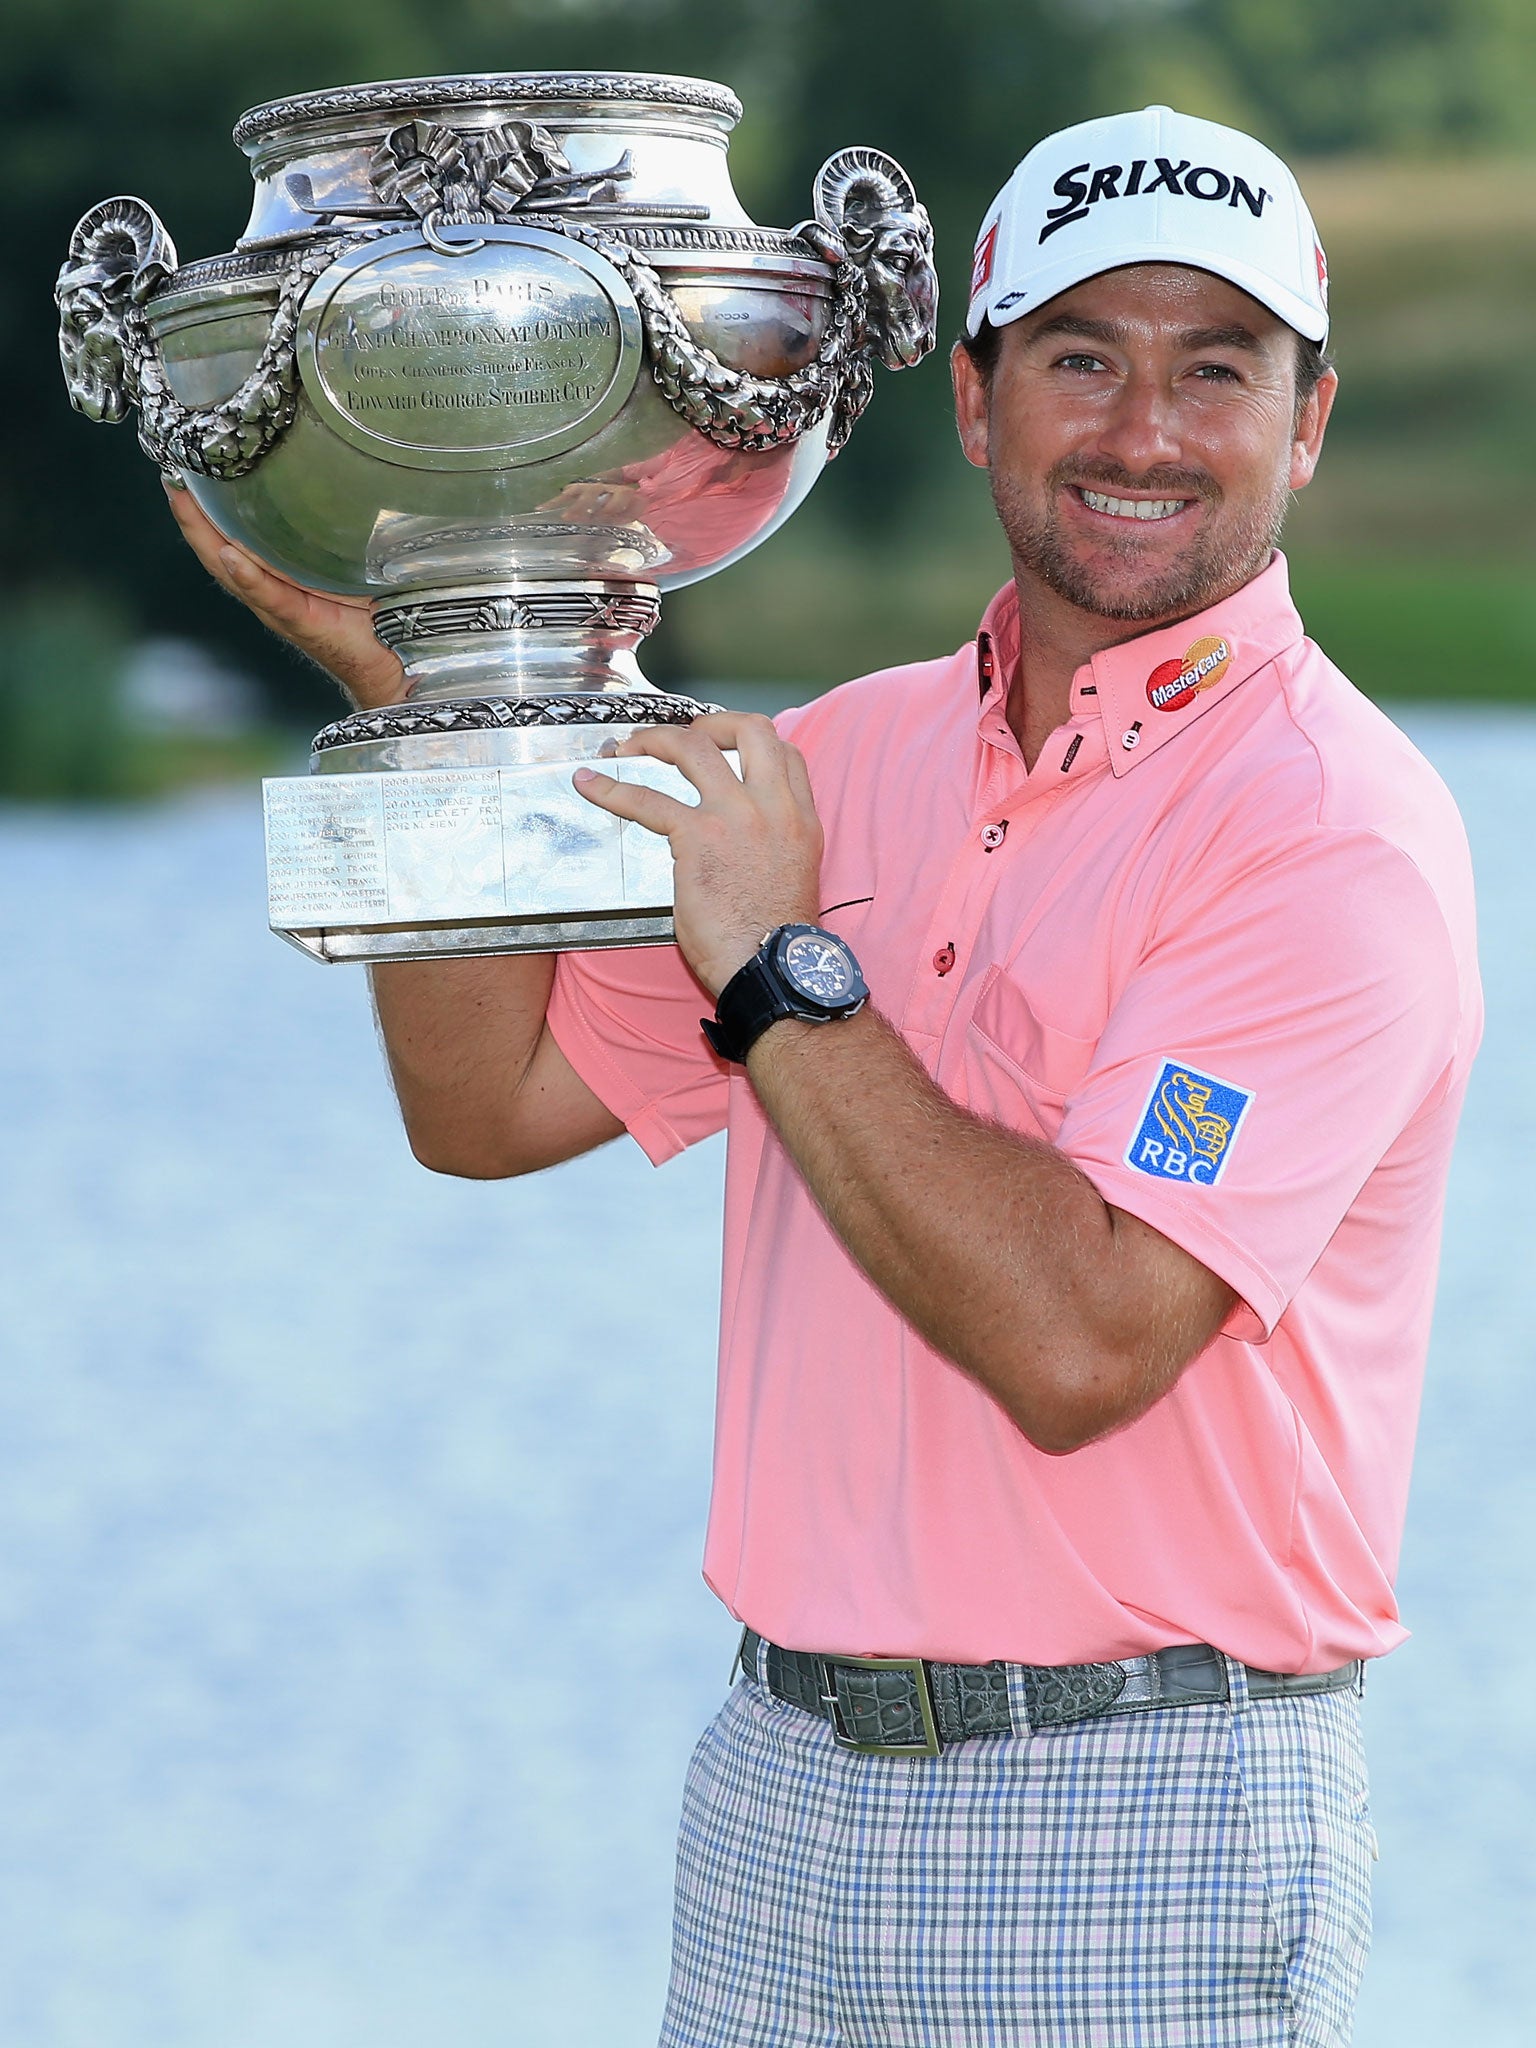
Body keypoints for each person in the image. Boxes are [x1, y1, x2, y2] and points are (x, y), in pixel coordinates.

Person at [169, 104, 1481, 2048]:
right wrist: (421, 705)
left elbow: (1080, 1337)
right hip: (785, 1777)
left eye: (1218, 369)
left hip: (1140, 1801)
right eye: (1079, 357)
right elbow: (487, 1113)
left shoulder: (1329, 837)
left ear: (1307, 420)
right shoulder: (838, 761)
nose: (1143, 430)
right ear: (973, 399)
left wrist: (784, 974)